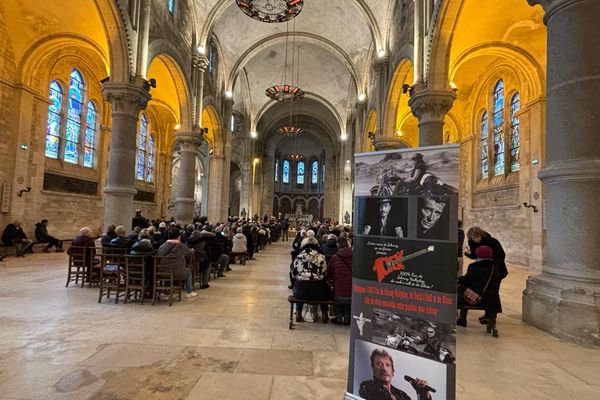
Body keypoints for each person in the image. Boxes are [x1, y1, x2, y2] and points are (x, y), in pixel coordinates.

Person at [464, 226, 508, 325]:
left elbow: (502, 255)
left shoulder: (492, 241)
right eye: (473, 238)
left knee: (492, 292)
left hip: (496, 270)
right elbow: (475, 255)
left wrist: (493, 267)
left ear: (481, 234)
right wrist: (467, 253)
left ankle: (490, 316)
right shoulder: (472, 242)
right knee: (481, 291)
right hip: (482, 268)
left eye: (477, 237)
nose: (476, 240)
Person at [457, 245, 502, 337]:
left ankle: (462, 319)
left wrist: (459, 279)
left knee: (462, 291)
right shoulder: (495, 267)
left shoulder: (474, 267)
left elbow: (467, 280)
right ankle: (492, 324)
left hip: (474, 298)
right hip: (492, 299)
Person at [359, 349, 433, 400]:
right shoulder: (367, 386)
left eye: (387, 365)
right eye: (379, 364)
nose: (384, 369)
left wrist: (423, 395)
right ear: (373, 368)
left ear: (393, 371)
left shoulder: (403, 395)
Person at [291, 237, 331, 323]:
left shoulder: (298, 256)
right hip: (319, 292)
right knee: (324, 288)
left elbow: (293, 274)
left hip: (301, 292)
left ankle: (298, 313)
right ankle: (324, 314)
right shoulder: (321, 257)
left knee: (299, 284)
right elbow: (325, 274)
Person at [157, 229, 197, 298]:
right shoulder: (180, 246)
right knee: (188, 271)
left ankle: (167, 289)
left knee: (170, 267)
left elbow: (159, 253)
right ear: (178, 237)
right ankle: (189, 291)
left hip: (161, 272)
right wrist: (193, 250)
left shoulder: (163, 246)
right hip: (176, 272)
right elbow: (190, 253)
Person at [328, 237, 352, 324]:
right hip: (352, 291)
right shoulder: (355, 256)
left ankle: (338, 317)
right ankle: (347, 317)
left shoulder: (335, 257)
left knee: (337, 296)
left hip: (338, 291)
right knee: (348, 297)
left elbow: (329, 271)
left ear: (338, 245)